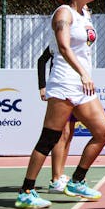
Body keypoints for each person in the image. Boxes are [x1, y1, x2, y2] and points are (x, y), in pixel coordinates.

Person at [15, 0, 105, 209]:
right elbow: (63, 47)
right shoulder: (63, 13)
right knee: (49, 138)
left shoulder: (84, 14)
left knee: (103, 132)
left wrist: (84, 76)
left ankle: (77, 180)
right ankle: (26, 191)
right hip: (64, 82)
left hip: (81, 85)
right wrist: (84, 73)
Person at [36, 46, 72, 193]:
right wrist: (42, 86)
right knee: (61, 133)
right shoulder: (58, 41)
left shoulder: (78, 42)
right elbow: (41, 61)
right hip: (59, 89)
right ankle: (55, 179)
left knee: (69, 133)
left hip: (75, 89)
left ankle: (60, 174)